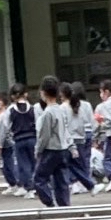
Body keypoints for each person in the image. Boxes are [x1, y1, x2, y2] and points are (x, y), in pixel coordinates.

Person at [33, 77, 72, 207]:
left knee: (39, 178)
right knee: (61, 180)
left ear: (43, 93)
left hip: (50, 150)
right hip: (63, 149)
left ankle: (49, 203)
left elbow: (44, 136)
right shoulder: (61, 110)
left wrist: (38, 150)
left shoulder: (47, 113)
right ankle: (64, 206)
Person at [2, 85, 39, 195]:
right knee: (35, 162)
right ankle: (38, 185)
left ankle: (29, 188)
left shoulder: (11, 109)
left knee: (24, 165)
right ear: (26, 94)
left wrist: (11, 134)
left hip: (19, 140)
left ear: (12, 96)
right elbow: (38, 123)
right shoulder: (32, 108)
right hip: (33, 138)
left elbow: (6, 125)